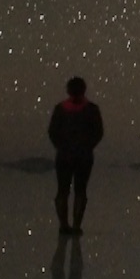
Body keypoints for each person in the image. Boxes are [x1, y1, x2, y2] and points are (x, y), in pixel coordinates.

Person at [48, 77, 103, 235]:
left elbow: (53, 132)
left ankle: (64, 225)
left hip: (64, 156)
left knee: (63, 191)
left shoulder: (60, 109)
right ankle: (76, 226)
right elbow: (98, 132)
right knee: (80, 191)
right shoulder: (92, 109)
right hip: (83, 157)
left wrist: (62, 147)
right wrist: (86, 147)